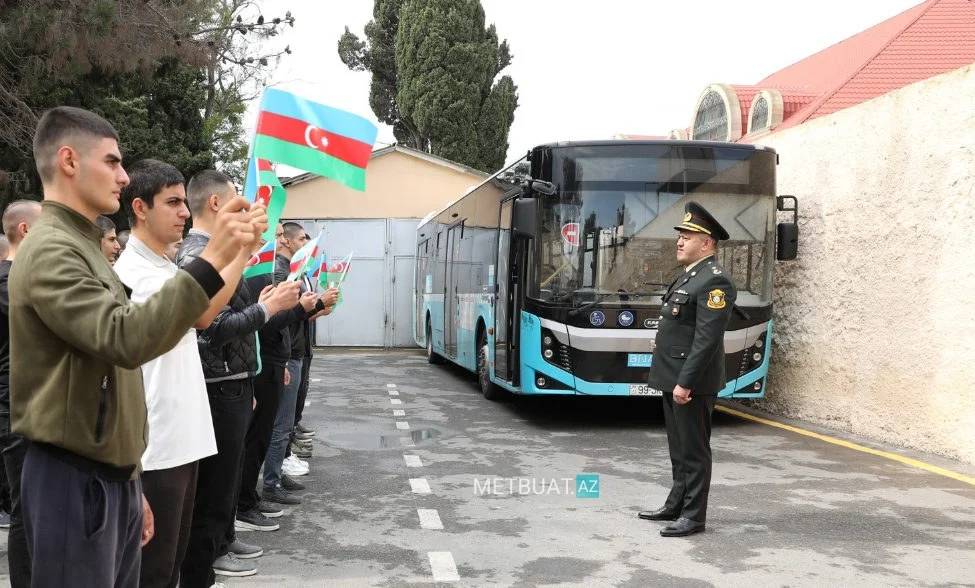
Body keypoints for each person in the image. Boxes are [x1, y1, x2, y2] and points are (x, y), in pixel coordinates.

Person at [8, 105, 265, 587]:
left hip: (108, 473)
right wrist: (214, 255)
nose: (124, 177)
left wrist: (129, 482)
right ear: (68, 160)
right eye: (111, 161)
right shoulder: (52, 249)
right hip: (74, 474)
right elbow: (125, 339)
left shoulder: (81, 245)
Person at [114, 159, 250, 588]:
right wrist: (230, 244)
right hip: (156, 448)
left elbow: (205, 313)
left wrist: (243, 251)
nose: (184, 213)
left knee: (173, 566)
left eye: (183, 202)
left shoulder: (163, 267)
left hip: (183, 441)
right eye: (172, 202)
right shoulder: (131, 275)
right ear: (139, 207)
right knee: (152, 572)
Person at [177, 174, 299, 586]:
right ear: (216, 204)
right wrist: (268, 310)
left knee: (223, 481)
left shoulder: (216, 251)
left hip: (233, 377)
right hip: (217, 382)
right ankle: (205, 561)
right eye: (238, 203)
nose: (249, 212)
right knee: (213, 487)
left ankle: (220, 542)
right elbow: (210, 327)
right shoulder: (199, 253)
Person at [638, 201, 736, 538]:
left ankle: (694, 516)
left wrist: (685, 383)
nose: (679, 241)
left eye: (687, 236)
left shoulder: (715, 282)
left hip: (690, 383)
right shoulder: (691, 276)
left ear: (706, 243)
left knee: (694, 451)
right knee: (678, 449)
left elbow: (706, 340)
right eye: (680, 236)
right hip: (673, 378)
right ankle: (676, 504)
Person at [0, 199, 41, 588]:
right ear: (26, 231)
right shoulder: (8, 283)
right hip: (15, 410)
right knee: (26, 511)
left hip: (34, 407)